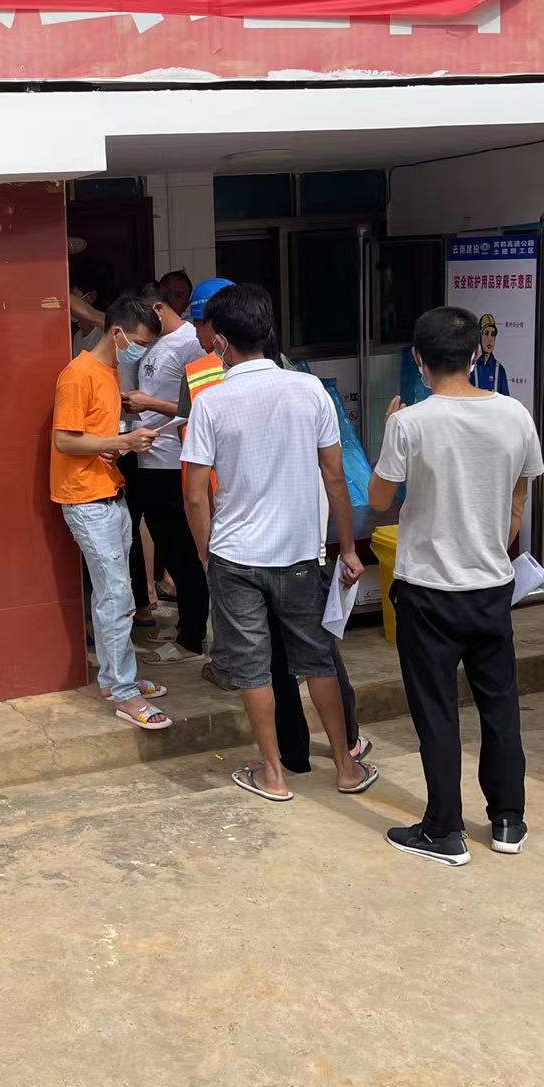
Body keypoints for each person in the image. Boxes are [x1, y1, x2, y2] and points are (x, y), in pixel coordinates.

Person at [180, 284, 376, 800]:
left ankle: (273, 773)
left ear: (221, 343)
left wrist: (204, 552)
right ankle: (346, 767)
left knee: (253, 668)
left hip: (234, 556)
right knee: (317, 660)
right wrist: (347, 548)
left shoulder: (211, 402)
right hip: (298, 555)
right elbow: (335, 478)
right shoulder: (309, 391)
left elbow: (195, 495)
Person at [370, 306, 543, 866]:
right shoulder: (515, 414)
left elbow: (378, 499)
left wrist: (389, 428)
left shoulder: (409, 423)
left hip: (427, 590)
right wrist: (492, 540)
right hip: (492, 585)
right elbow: (519, 496)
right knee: (500, 706)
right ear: (474, 355)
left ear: (418, 359)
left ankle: (444, 829)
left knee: (437, 712)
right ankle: (508, 820)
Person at [52, 292, 168, 729]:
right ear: (117, 333)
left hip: (109, 493)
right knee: (117, 596)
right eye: (139, 343)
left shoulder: (109, 371)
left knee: (113, 596)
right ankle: (123, 691)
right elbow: (64, 439)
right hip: (86, 500)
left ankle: (116, 680)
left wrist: (118, 445)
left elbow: (91, 435)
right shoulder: (78, 374)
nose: (141, 351)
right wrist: (123, 442)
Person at [122, 284, 207, 665]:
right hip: (148, 459)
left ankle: (192, 637)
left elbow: (201, 406)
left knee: (183, 553)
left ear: (159, 307)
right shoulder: (154, 343)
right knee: (169, 549)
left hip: (174, 460)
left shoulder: (191, 343)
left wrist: (149, 402)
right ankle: (186, 628)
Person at [470, 313, 511, 396]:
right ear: (479, 336)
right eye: (486, 333)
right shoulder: (470, 368)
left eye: (493, 334)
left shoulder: (499, 370)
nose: (490, 339)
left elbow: (506, 400)